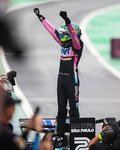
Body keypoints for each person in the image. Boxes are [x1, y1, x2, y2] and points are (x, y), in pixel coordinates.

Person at [33, 8, 84, 136]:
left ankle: (76, 136)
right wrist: (41, 17)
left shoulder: (77, 46)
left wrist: (67, 21)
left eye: (64, 33)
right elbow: (52, 31)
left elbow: (73, 34)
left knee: (73, 111)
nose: (61, 35)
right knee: (61, 111)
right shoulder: (62, 43)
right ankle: (60, 136)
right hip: (61, 80)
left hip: (73, 81)